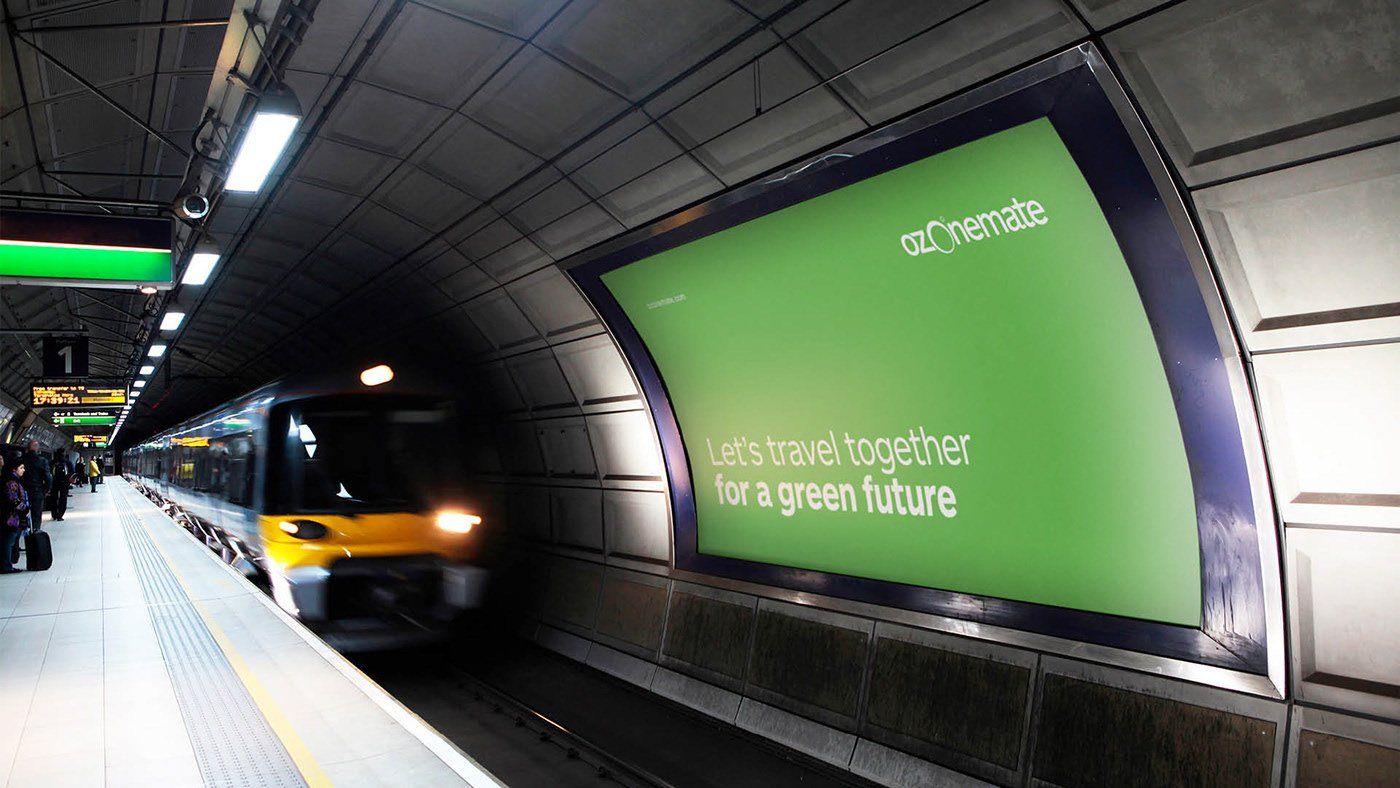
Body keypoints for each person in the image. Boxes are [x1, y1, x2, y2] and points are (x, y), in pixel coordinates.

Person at [1, 452, 30, 574]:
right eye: (21, 468)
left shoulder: (11, 479)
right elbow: (13, 499)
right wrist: (25, 509)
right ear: (15, 469)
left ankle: (7, 564)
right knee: (8, 542)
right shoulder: (12, 482)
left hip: (10, 515)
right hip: (10, 517)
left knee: (8, 541)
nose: (23, 470)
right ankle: (6, 566)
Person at [20, 441, 49, 532]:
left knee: (22, 511)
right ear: (37, 449)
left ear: (27, 448)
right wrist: (46, 489)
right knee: (36, 512)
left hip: (22, 490)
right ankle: (36, 531)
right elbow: (48, 477)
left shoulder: (21, 460)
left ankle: (23, 531)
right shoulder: (42, 460)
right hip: (37, 490)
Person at [50, 450, 71, 522]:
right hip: (64, 482)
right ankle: (60, 515)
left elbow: (48, 472)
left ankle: (54, 514)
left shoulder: (52, 462)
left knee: (53, 498)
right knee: (63, 498)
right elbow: (72, 471)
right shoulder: (67, 462)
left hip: (54, 482)